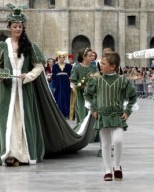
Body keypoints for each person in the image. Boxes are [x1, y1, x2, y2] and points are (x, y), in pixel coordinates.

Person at [0, 3, 46, 166]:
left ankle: (23, 155)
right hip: (7, 90)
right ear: (9, 27)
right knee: (8, 121)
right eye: (15, 26)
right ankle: (9, 153)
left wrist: (27, 76)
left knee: (23, 120)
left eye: (20, 26)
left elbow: (39, 66)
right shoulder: (2, 46)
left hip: (24, 90)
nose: (17, 29)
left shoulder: (30, 46)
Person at [84, 52, 137, 181]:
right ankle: (107, 170)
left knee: (118, 140)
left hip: (118, 115)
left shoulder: (123, 81)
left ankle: (117, 166)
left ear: (113, 66)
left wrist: (128, 110)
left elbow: (133, 96)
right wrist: (93, 108)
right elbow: (87, 94)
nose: (100, 65)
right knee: (106, 144)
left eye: (103, 63)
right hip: (103, 115)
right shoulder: (96, 80)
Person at [70, 48, 98, 125]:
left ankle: (93, 136)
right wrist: (80, 86)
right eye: (90, 56)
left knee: (93, 117)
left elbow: (98, 80)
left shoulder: (94, 68)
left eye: (92, 55)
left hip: (92, 97)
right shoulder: (77, 68)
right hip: (81, 96)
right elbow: (73, 80)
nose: (92, 57)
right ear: (84, 57)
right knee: (83, 118)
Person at [52, 51, 72, 118]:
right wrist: (54, 85)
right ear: (58, 58)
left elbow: (71, 75)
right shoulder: (55, 66)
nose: (62, 59)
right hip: (58, 83)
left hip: (66, 83)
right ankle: (59, 114)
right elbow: (53, 76)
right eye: (60, 57)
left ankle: (67, 114)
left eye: (63, 57)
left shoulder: (69, 66)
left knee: (66, 98)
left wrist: (71, 84)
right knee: (58, 98)